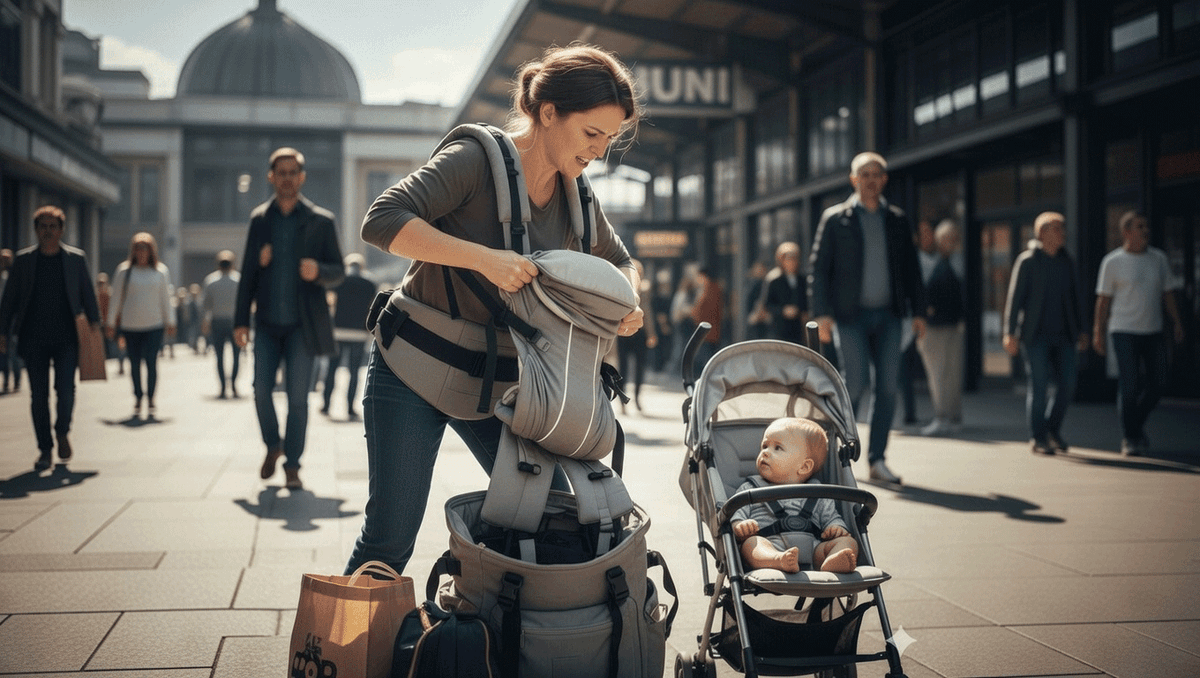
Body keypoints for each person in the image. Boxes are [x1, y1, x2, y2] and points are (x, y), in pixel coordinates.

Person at [346, 43, 643, 575]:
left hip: (502, 387)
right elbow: (381, 219)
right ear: (547, 113)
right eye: (592, 134)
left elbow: (623, 262)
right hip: (412, 369)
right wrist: (484, 260)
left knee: (558, 515)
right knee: (388, 540)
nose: (599, 152)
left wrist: (628, 301)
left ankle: (498, 636)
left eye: (610, 140)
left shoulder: (579, 196)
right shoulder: (474, 160)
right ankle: (341, 656)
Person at [808, 152, 925, 485]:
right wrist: (822, 314)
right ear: (853, 179)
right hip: (850, 317)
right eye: (865, 174)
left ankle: (877, 461)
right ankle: (836, 457)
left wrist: (918, 311)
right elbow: (818, 269)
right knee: (854, 383)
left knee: (888, 387)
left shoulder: (898, 220)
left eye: (877, 174)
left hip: (890, 316)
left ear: (884, 180)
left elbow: (912, 269)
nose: (871, 180)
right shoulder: (835, 218)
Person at [234, 147, 344, 491]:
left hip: (302, 327)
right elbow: (247, 274)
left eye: (292, 172)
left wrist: (319, 271)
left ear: (301, 177)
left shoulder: (321, 221)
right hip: (265, 324)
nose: (286, 178)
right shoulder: (259, 220)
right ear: (271, 177)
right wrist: (240, 321)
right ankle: (273, 445)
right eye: (280, 172)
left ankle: (293, 465)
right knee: (260, 391)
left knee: (298, 399)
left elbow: (339, 271)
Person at [0, 206, 101, 470]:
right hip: (33, 339)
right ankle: (45, 449)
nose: (47, 231)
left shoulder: (75, 259)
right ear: (36, 230)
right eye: (42, 226)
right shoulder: (23, 261)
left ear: (61, 230)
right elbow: (8, 300)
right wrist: (2, 332)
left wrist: (95, 327)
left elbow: (88, 295)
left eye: (52, 226)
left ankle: (62, 432)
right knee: (38, 396)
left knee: (66, 390)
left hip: (67, 337)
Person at [1092, 211, 1184, 456]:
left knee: (1159, 383)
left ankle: (1135, 426)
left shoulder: (1158, 259)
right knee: (1129, 385)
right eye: (1139, 226)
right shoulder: (1112, 262)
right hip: (1123, 331)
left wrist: (1176, 322)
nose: (1145, 231)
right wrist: (1097, 332)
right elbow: (1103, 301)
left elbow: (1168, 293)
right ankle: (1130, 437)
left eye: (1146, 226)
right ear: (1127, 232)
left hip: (1152, 330)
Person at [1002, 211, 1088, 455]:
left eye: (1063, 228)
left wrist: (1082, 329)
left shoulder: (1066, 261)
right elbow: (1014, 299)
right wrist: (1009, 333)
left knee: (1068, 384)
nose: (1063, 233)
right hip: (1035, 336)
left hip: (1065, 336)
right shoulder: (1028, 261)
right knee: (1038, 387)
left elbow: (1075, 298)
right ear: (1042, 233)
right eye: (1057, 228)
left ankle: (1052, 429)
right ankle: (1038, 437)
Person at [732, 417, 859, 574]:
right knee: (751, 544)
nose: (765, 452)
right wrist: (740, 525)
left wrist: (836, 528)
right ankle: (778, 560)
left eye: (777, 448)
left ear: (804, 466)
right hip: (770, 544)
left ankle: (831, 562)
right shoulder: (750, 489)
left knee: (849, 542)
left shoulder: (818, 492)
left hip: (813, 551)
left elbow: (831, 517)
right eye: (764, 446)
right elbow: (737, 514)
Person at [107, 232, 174, 419]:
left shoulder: (160, 271)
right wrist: (111, 322)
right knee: (134, 363)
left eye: (145, 248)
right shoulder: (124, 271)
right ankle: (138, 396)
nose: (141, 252)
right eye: (138, 248)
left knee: (151, 362)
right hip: (131, 326)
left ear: (151, 251)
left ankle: (151, 397)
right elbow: (116, 299)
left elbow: (166, 299)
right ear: (133, 251)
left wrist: (171, 321)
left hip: (154, 325)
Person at [917, 219, 966, 436]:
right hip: (936, 326)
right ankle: (945, 416)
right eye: (945, 238)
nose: (948, 242)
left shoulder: (953, 263)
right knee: (940, 374)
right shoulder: (938, 262)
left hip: (947, 326)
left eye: (951, 238)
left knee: (947, 374)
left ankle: (947, 417)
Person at [321, 253, 376, 420]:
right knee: (354, 372)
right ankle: (350, 408)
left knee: (332, 368)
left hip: (338, 331)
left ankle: (326, 405)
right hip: (359, 333)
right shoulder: (370, 284)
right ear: (362, 267)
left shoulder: (339, 281)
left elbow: (330, 301)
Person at [616, 258, 658, 412]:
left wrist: (651, 333)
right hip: (623, 332)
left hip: (640, 332)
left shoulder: (645, 288)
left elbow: (648, 312)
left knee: (640, 367)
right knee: (623, 368)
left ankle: (638, 398)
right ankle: (622, 400)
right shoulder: (619, 286)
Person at [201, 250, 241, 398]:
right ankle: (234, 383)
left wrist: (205, 322)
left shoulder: (211, 281)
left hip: (217, 321)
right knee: (236, 356)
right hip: (234, 322)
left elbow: (205, 305)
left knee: (220, 357)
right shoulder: (238, 280)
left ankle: (224, 387)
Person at [763, 241, 808, 344]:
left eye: (794, 258)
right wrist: (783, 310)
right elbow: (767, 305)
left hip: (798, 329)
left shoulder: (802, 280)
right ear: (781, 260)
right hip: (779, 329)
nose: (792, 262)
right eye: (788, 259)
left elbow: (806, 302)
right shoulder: (774, 280)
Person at [689, 266, 724, 375]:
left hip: (708, 330)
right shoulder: (705, 289)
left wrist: (694, 313)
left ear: (703, 276)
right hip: (704, 330)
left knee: (706, 358)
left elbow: (709, 310)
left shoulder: (712, 289)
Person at [0, 248, 17, 394]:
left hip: (12, 319)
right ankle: (6, 380)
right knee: (3, 350)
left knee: (12, 349)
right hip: (2, 318)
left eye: (6, 259)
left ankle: (16, 379)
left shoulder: (14, 275)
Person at [745, 260, 771, 340]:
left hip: (766, 318)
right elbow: (748, 301)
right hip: (755, 318)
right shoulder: (752, 284)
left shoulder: (768, 283)